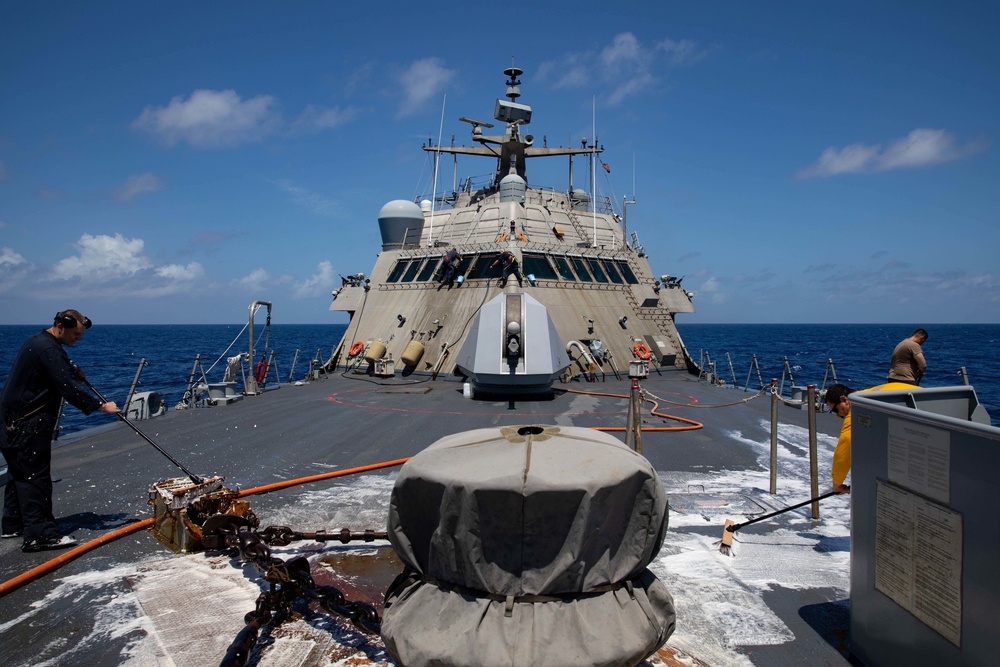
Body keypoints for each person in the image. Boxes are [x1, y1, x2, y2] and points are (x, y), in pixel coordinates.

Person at [1, 310, 119, 552]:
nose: (78, 339)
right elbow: (67, 387)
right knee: (35, 476)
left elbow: (59, 371)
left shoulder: (42, 343)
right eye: (75, 334)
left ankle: (13, 523)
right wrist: (100, 405)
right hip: (25, 423)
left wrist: (71, 370)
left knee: (19, 472)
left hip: (12, 421)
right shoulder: (48, 349)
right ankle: (40, 535)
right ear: (60, 326)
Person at [825, 381, 916, 495]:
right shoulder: (867, 394)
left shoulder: (857, 409)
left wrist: (837, 483)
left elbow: (846, 443)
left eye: (835, 410)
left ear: (844, 400)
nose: (838, 415)